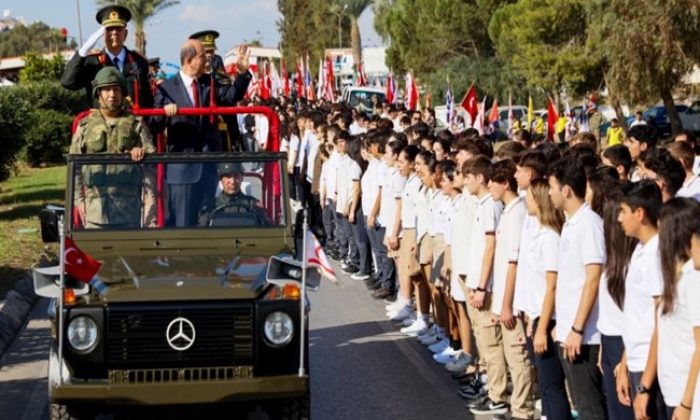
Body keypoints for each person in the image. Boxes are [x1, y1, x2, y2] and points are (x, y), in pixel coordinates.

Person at [150, 39, 251, 227]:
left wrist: (242, 73)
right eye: (202, 56)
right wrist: (164, 113)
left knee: (207, 223)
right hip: (181, 170)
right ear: (189, 60)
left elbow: (231, 97)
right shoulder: (166, 88)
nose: (207, 60)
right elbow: (153, 126)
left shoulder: (209, 83)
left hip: (208, 166)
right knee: (183, 225)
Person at [548, 158, 608, 419]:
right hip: (569, 331)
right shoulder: (571, 223)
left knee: (590, 408)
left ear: (566, 190)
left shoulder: (590, 224)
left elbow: (593, 278)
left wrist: (576, 328)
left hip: (584, 336)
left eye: (551, 187)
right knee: (582, 407)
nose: (548, 193)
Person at [69, 67, 155, 229]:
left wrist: (140, 151)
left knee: (129, 253)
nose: (112, 94)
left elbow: (152, 160)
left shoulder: (136, 123)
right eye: (107, 89)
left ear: (123, 93)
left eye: (116, 89)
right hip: (95, 212)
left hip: (129, 211)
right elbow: (74, 167)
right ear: (98, 93)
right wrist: (78, 202)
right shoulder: (85, 126)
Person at [615, 181, 667, 420]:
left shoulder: (657, 255)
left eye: (623, 211)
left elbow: (660, 324)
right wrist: (625, 363)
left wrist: (645, 386)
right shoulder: (639, 249)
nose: (619, 219)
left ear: (640, 213)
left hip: (652, 368)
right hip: (636, 362)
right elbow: (636, 315)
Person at [656, 198, 700, 419]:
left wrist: (687, 403)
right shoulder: (679, 275)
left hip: (686, 395)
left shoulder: (694, 278)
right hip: (672, 390)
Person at [61, 5, 153, 109]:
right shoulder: (92, 62)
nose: (114, 33)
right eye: (109, 29)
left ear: (125, 33)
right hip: (101, 123)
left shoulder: (138, 62)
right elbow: (68, 82)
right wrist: (83, 51)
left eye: (118, 28)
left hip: (130, 122)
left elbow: (147, 100)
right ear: (102, 34)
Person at [189, 30, 242, 151]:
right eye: (205, 52)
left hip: (217, 128)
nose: (209, 55)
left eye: (211, 51)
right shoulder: (188, 74)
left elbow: (229, 96)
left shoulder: (217, 64)